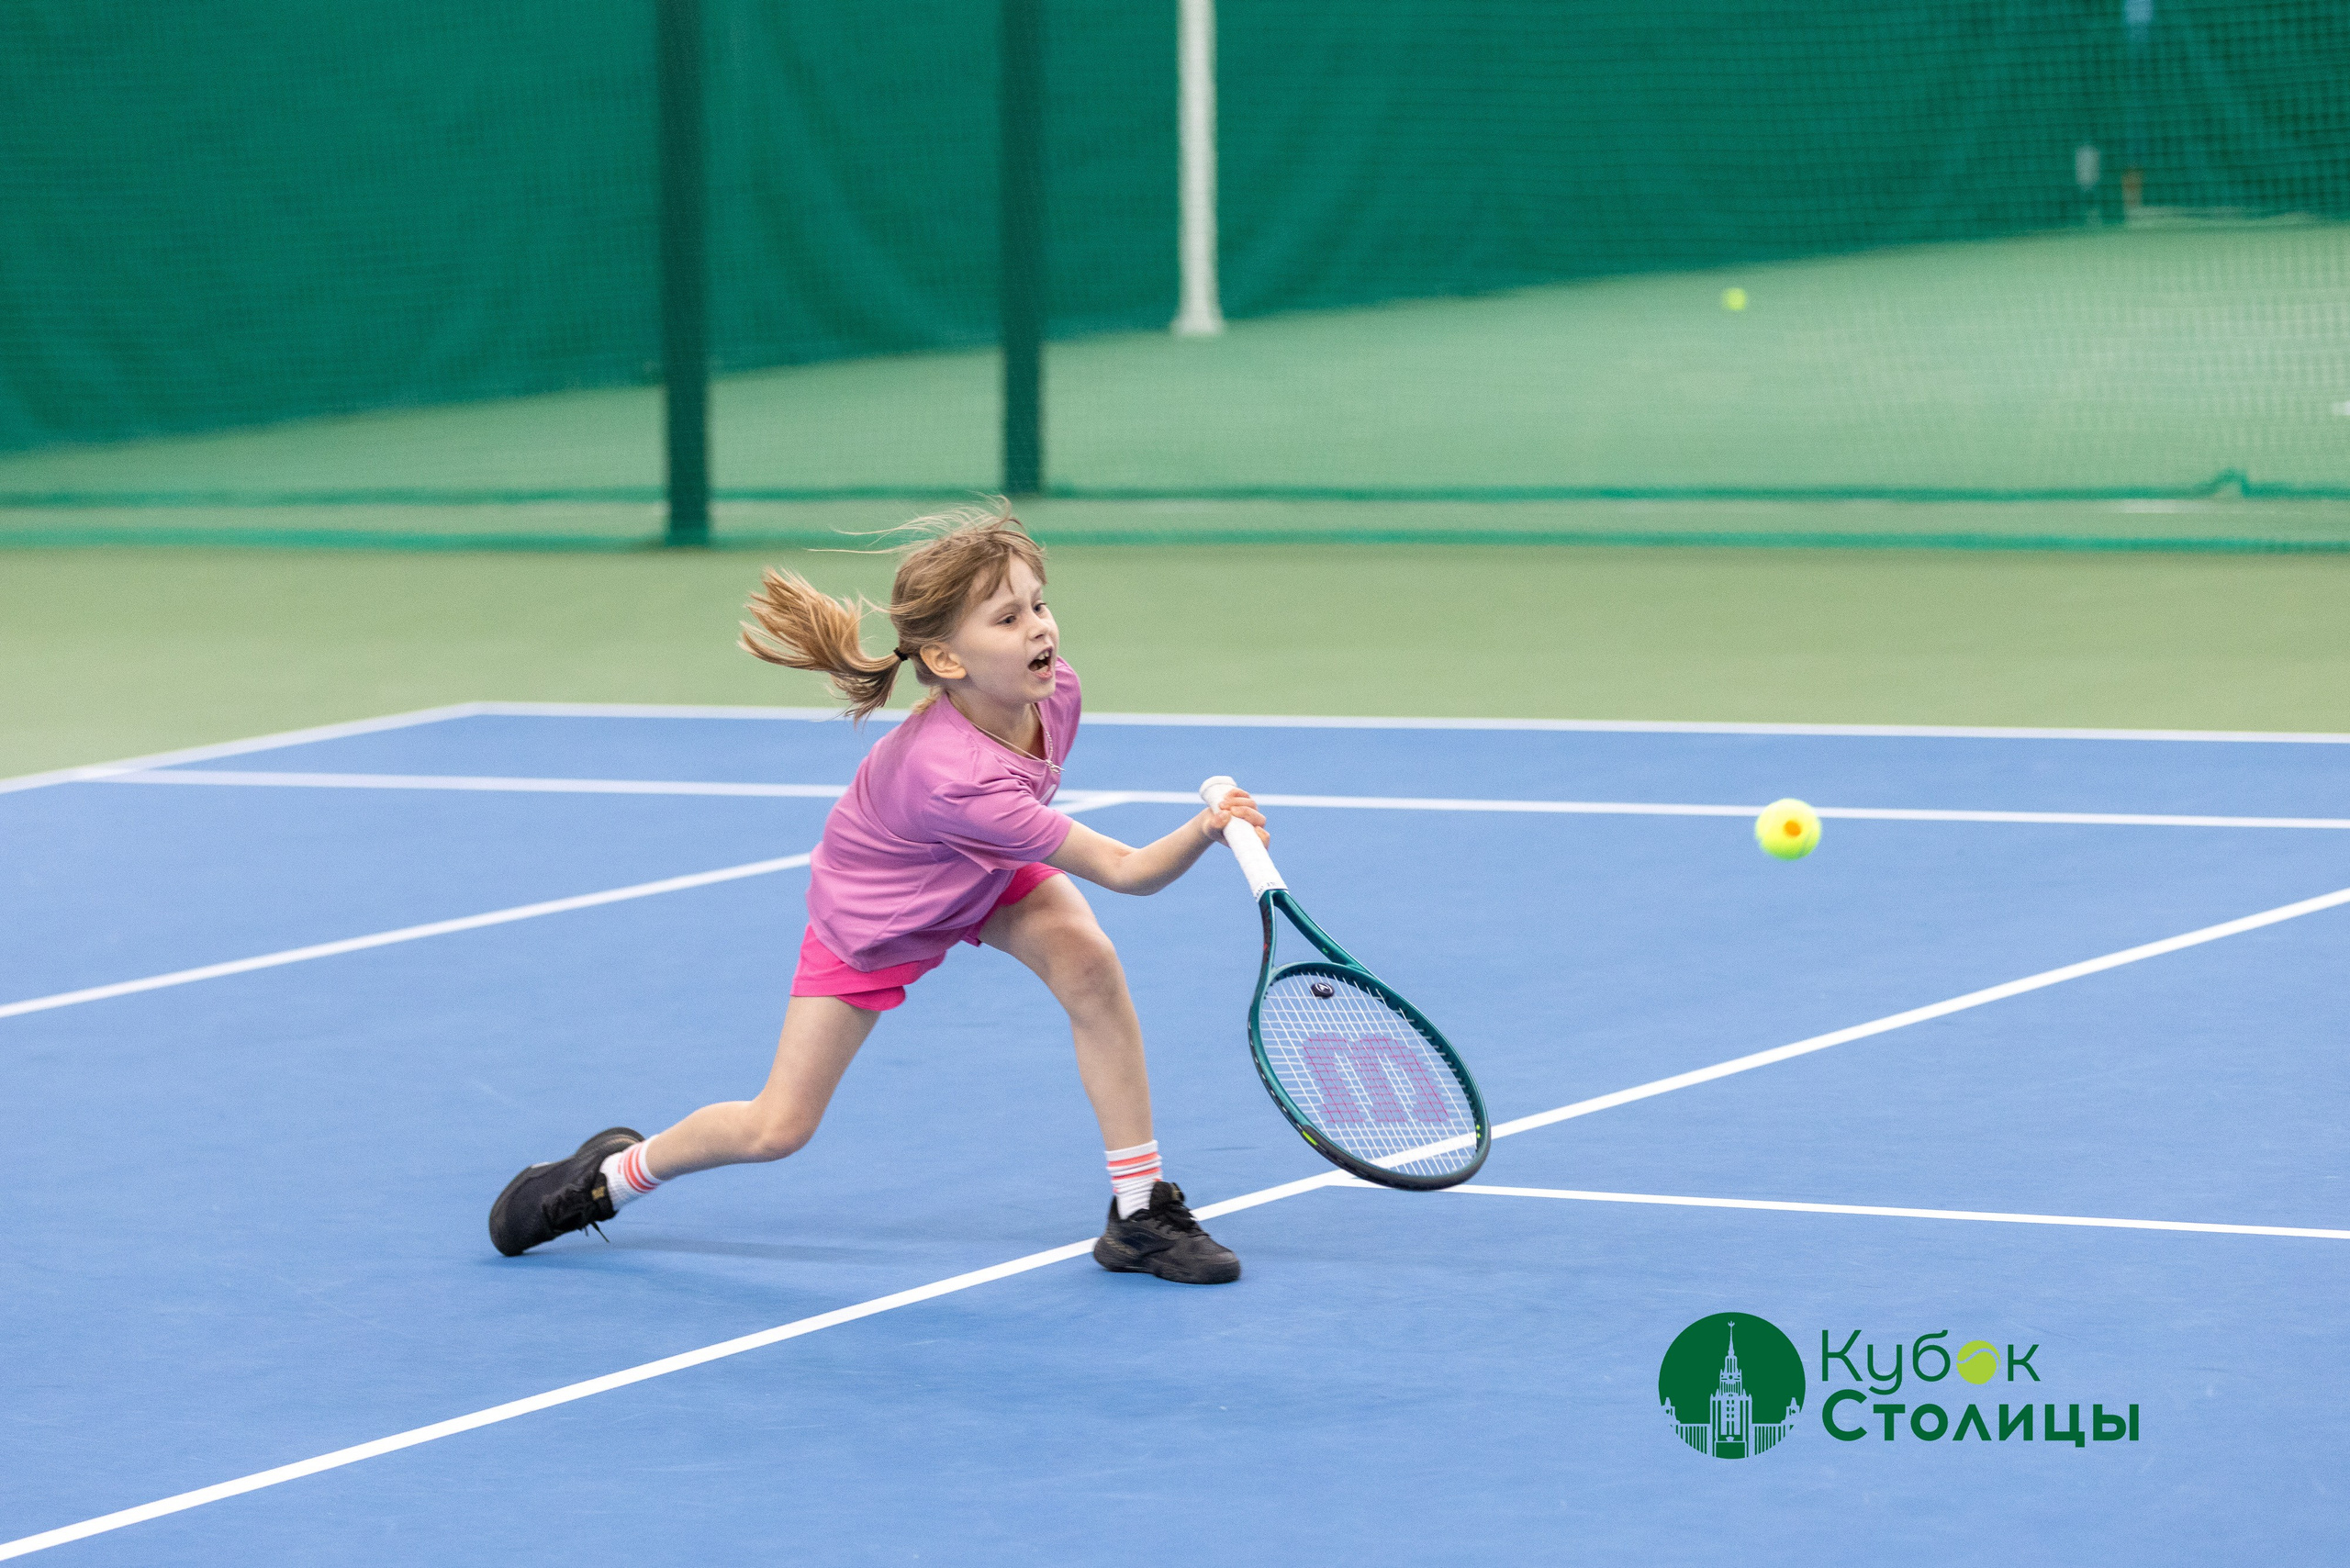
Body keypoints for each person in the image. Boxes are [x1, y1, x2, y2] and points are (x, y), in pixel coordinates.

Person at [487, 505, 1267, 1283]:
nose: (1039, 628)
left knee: (1088, 965)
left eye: (1038, 604)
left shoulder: (1055, 691)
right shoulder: (955, 780)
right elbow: (1128, 871)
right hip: (878, 914)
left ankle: (1139, 1213)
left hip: (977, 867)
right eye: (1007, 618)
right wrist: (1207, 830)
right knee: (777, 1128)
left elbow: (1022, 831)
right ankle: (611, 1176)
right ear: (947, 659)